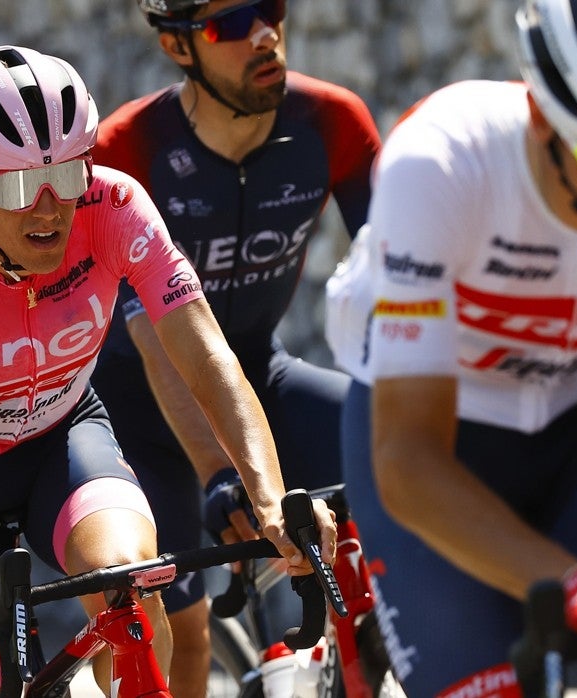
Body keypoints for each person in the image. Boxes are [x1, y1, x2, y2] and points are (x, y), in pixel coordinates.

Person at [0, 45, 336, 698]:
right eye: (16, 187)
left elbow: (207, 356)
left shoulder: (116, 208)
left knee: (131, 592)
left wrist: (269, 497)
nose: (48, 208)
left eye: (67, 176)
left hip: (61, 441)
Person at [324, 0, 577, 693]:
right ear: (544, 120)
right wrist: (575, 586)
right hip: (443, 438)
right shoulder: (444, 163)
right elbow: (409, 459)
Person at [91, 0, 380, 693]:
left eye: (271, 8)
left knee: (395, 452)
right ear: (177, 46)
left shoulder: (333, 123)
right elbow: (156, 341)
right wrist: (223, 475)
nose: (264, 33)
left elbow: (400, 285)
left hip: (258, 373)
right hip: (141, 411)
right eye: (231, 20)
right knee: (178, 639)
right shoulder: (126, 150)